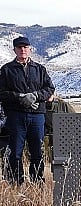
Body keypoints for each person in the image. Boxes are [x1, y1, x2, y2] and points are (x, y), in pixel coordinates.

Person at [0, 36, 55, 185]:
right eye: (19, 47)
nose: (22, 50)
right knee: (15, 152)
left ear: (30, 49)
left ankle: (37, 182)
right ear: (14, 50)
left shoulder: (40, 69)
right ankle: (16, 183)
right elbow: (2, 93)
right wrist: (19, 97)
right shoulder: (6, 70)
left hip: (37, 116)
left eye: (25, 47)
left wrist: (35, 96)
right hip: (16, 116)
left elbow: (50, 88)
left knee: (37, 152)